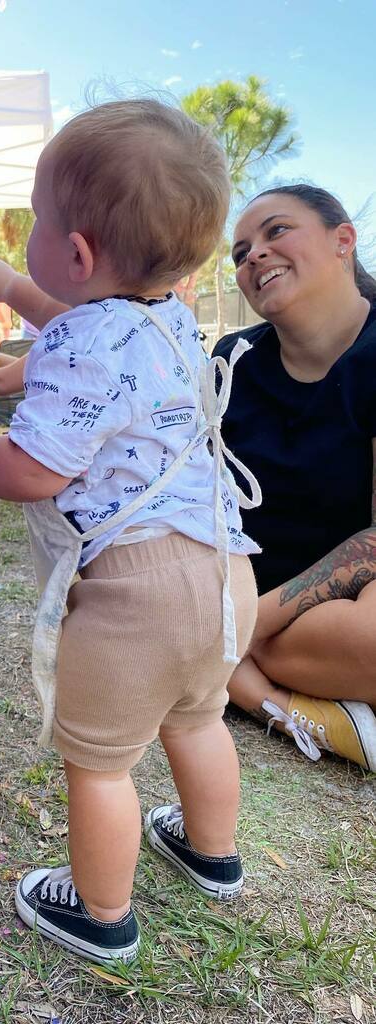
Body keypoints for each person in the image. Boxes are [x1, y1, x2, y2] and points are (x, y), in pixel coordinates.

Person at [0, 99, 260, 965]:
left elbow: (35, 469)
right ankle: (210, 852)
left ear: (75, 252)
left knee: (102, 764)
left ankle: (100, 910)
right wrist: (6, 286)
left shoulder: (85, 342)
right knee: (197, 721)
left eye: (39, 221)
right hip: (224, 577)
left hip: (134, 595)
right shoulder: (168, 322)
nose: (32, 237)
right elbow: (77, 315)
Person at [215, 185, 376, 771]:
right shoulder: (230, 362)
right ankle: (290, 709)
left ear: (343, 240)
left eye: (275, 232)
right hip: (244, 590)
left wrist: (242, 628)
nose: (253, 255)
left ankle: (235, 673)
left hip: (335, 602)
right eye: (239, 252)